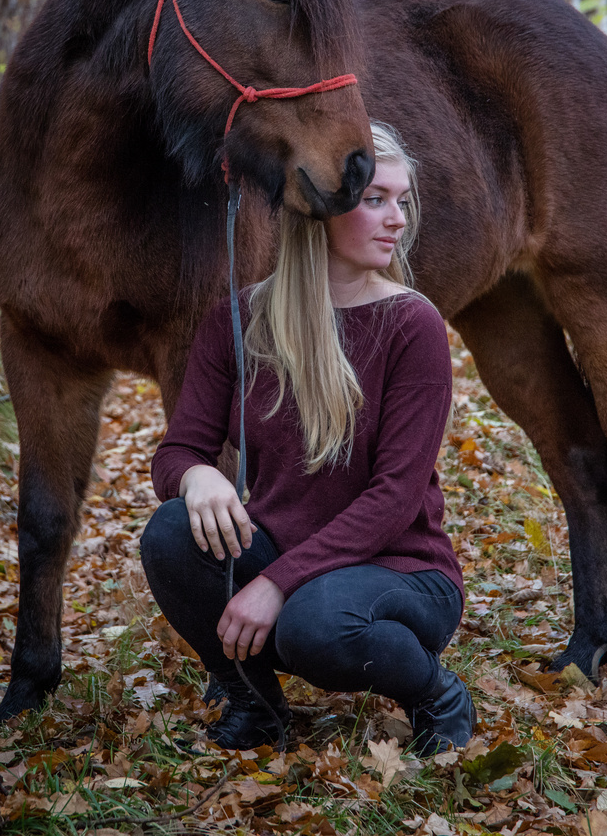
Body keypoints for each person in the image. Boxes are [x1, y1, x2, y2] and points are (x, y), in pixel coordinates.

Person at [140, 123, 474, 754]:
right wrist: (197, 475)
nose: (397, 219)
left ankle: (439, 696)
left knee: (314, 624)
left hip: (400, 571)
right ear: (320, 206)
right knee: (170, 534)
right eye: (375, 198)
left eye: (403, 201)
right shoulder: (236, 322)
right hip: (292, 556)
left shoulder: (412, 324)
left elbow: (396, 496)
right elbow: (179, 450)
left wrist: (276, 582)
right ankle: (254, 701)